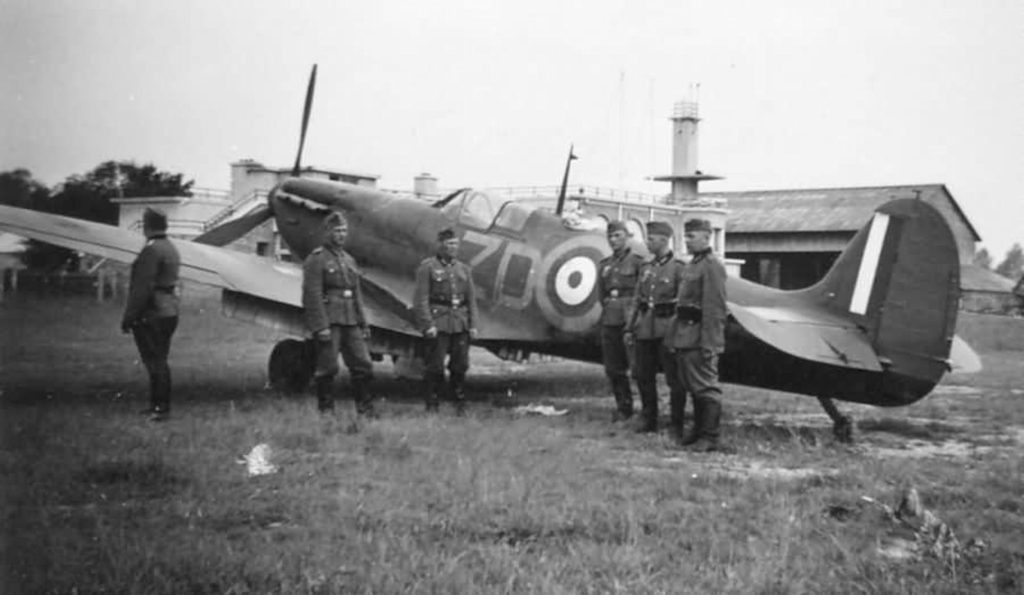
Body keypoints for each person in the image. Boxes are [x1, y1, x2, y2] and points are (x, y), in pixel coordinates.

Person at [302, 211, 375, 416]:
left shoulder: (349, 260)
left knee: (363, 363)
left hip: (350, 319)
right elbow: (312, 295)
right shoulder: (316, 259)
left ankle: (365, 409)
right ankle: (326, 411)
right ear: (327, 232)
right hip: (330, 320)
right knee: (328, 366)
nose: (341, 235)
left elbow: (356, 294)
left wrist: (363, 323)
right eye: (337, 231)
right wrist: (320, 326)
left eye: (344, 231)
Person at [668, 218, 728, 451]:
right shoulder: (692, 265)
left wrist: (710, 344)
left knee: (705, 387)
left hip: (699, 336)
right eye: (686, 236)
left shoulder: (712, 265)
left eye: (692, 236)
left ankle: (710, 437)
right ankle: (698, 432)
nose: (687, 241)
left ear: (706, 236)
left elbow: (715, 309)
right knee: (692, 385)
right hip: (685, 334)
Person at [625, 221, 687, 435]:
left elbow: (683, 302)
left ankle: (676, 423)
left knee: (674, 379)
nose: (647, 243)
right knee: (643, 375)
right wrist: (629, 326)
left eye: (650, 239)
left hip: (667, 328)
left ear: (663, 240)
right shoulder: (646, 266)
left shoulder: (679, 267)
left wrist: (677, 330)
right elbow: (637, 298)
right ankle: (648, 418)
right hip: (645, 328)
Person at [121, 208, 180, 422]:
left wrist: (129, 317)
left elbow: (141, 288)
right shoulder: (170, 247)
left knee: (155, 362)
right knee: (160, 360)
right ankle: (159, 406)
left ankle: (160, 408)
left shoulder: (151, 250)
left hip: (153, 311)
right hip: (170, 309)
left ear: (147, 225)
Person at [413, 228, 479, 414]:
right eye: (449, 244)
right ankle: (432, 402)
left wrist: (473, 325)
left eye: (455, 244)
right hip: (439, 322)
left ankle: (458, 400)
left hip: (460, 323)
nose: (453, 248)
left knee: (460, 364)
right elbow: (421, 299)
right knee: (435, 364)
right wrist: (428, 324)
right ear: (440, 245)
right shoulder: (428, 267)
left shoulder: (463, 269)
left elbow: (471, 300)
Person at [597, 220, 644, 421]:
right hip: (611, 320)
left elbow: (641, 294)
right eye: (610, 236)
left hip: (631, 321)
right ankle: (624, 408)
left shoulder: (638, 263)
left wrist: (634, 320)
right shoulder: (605, 265)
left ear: (627, 236)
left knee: (638, 369)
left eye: (617, 236)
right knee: (613, 368)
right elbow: (601, 295)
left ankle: (648, 412)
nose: (613, 240)